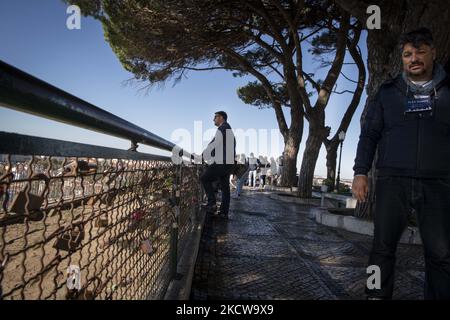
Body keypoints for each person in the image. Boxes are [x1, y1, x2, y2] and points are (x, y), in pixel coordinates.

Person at [352, 28, 450, 300]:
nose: (413, 58)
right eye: (407, 54)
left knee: (441, 254)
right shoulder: (386, 93)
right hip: (392, 181)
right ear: (402, 58)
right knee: (381, 248)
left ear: (433, 52)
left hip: (439, 184)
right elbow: (369, 134)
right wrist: (360, 172)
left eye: (420, 52)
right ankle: (375, 296)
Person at [199, 111, 236, 217]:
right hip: (228, 163)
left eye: (215, 117)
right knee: (225, 188)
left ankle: (212, 204)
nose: (213, 119)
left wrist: (203, 156)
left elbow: (214, 143)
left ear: (221, 118)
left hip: (222, 162)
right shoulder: (228, 129)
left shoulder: (223, 128)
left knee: (204, 178)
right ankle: (224, 213)